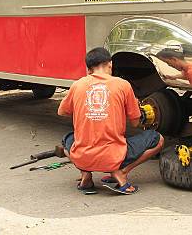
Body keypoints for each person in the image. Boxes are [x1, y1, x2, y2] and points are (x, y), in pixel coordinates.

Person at [57, 47, 164, 194]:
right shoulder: (123, 85)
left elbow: (62, 111)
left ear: (89, 70)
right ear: (110, 64)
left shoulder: (77, 85)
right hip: (115, 157)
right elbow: (135, 123)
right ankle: (122, 172)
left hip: (83, 157)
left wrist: (88, 113)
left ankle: (86, 176)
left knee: (67, 139)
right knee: (157, 139)